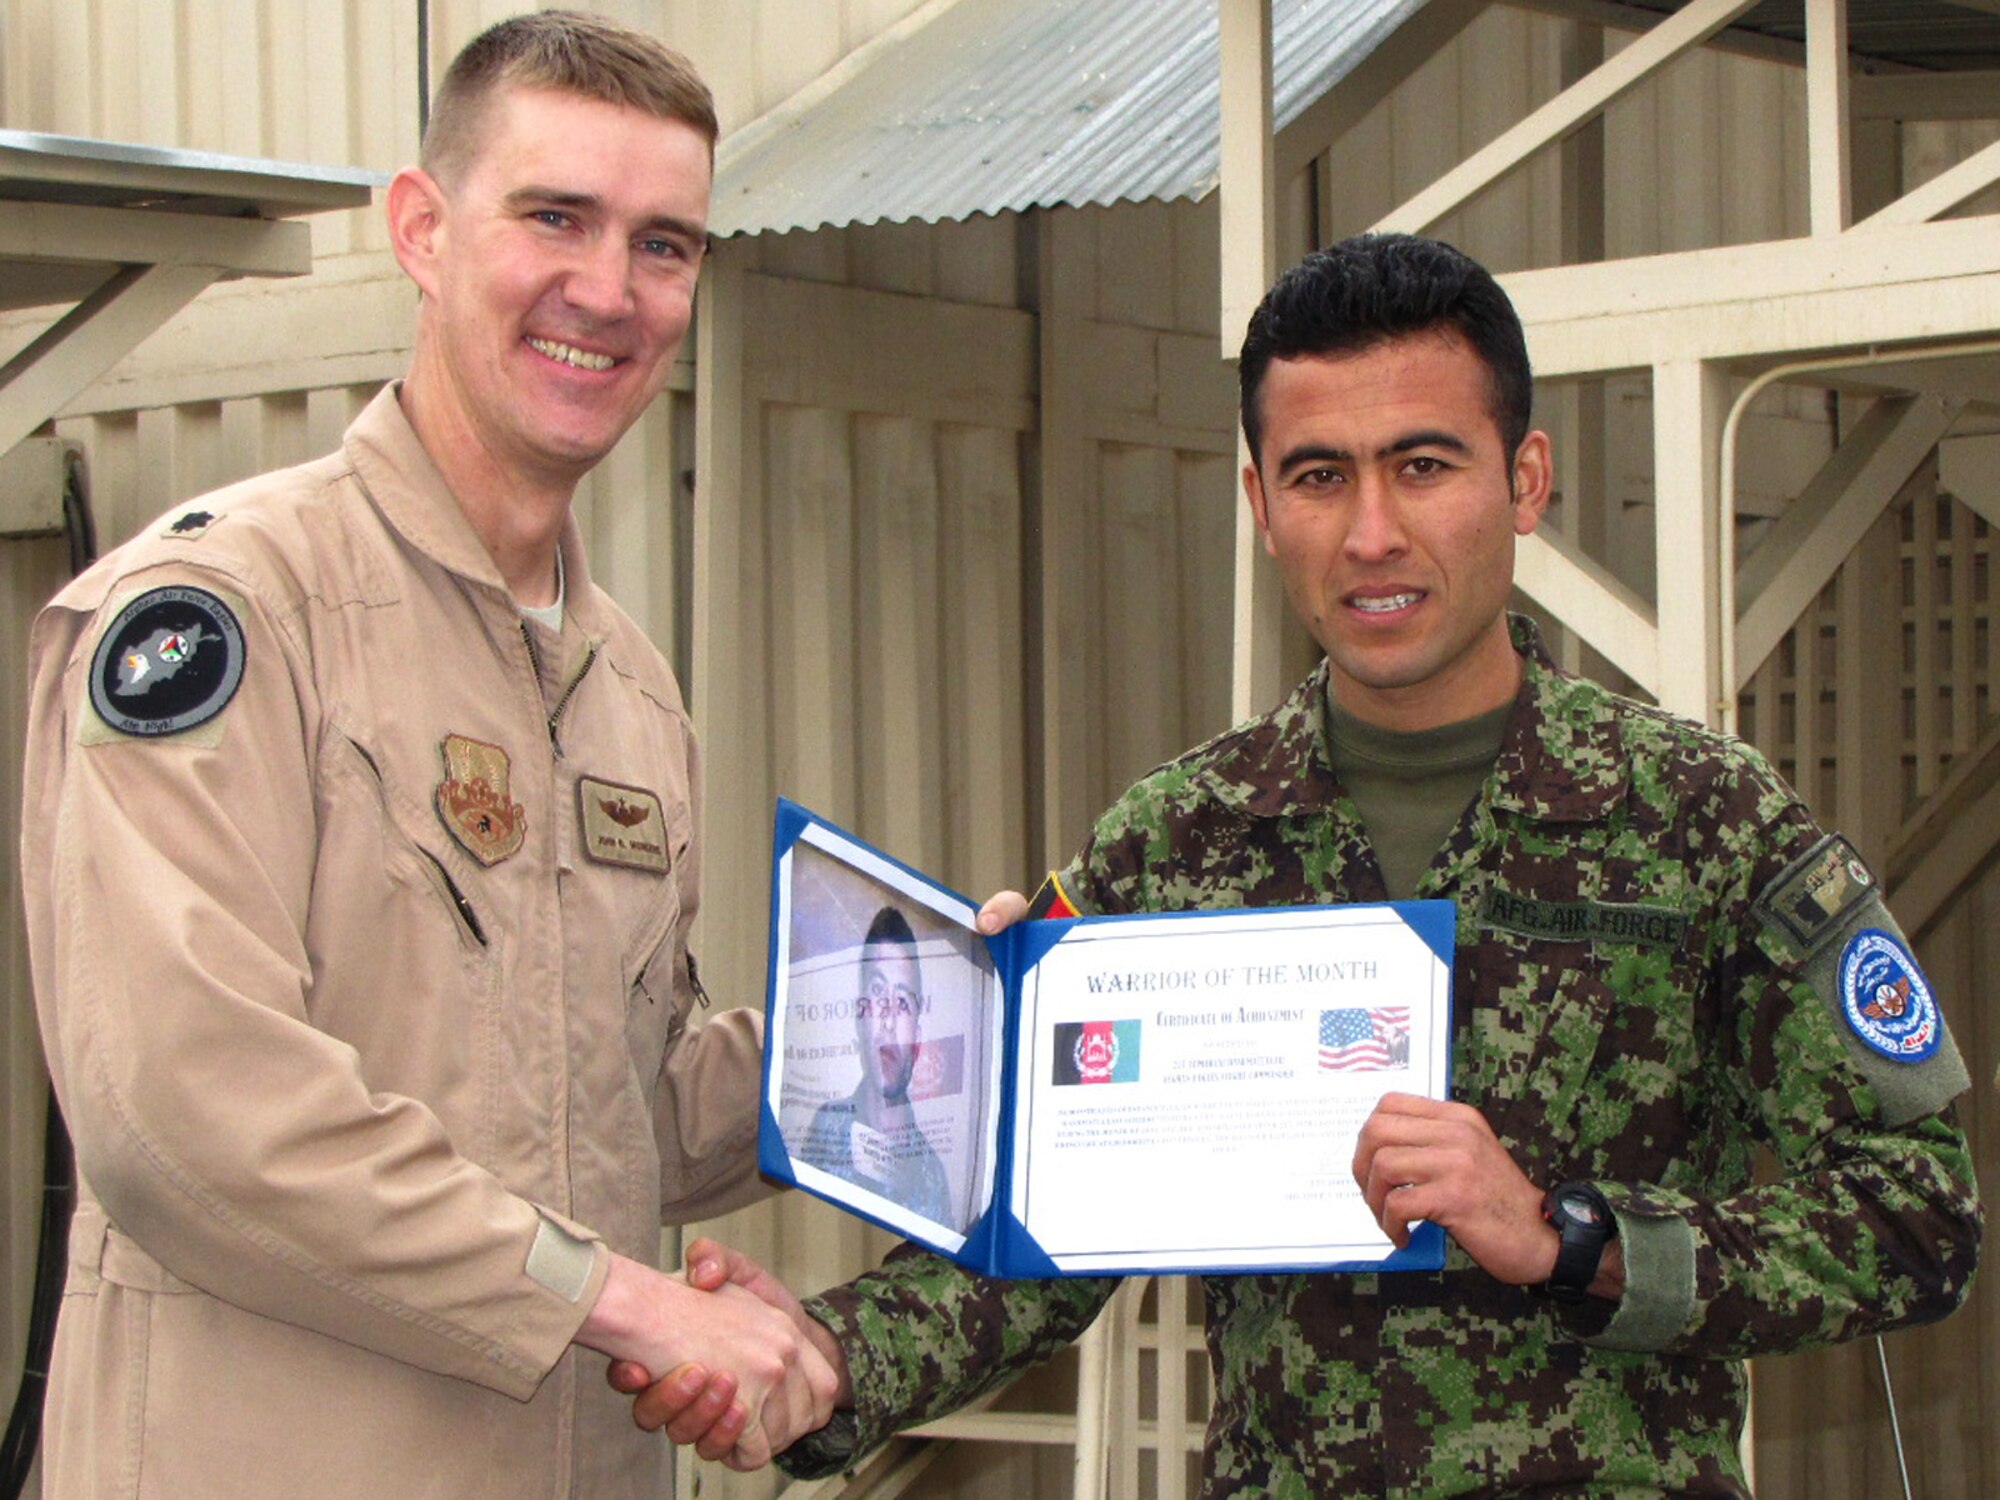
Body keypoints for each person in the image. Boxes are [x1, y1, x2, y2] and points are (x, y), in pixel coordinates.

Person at [623, 233, 1982, 1495]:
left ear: (1526, 480)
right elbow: (1038, 1238)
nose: (1374, 533)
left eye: (1427, 465)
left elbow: (1920, 1216)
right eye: (1323, 476)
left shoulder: (1701, 821)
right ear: (1263, 504)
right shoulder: (1180, 840)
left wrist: (1571, 1235)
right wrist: (820, 1363)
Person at [18, 12, 834, 1498]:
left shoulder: (629, 688)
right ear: (422, 227)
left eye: (665, 244)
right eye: (555, 218)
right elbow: (187, 1109)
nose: (610, 290)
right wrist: (628, 1301)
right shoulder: (231, 616)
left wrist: (942, 1032)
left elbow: (609, 1114)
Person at [796, 906, 954, 1226]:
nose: (888, 1021)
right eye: (878, 993)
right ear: (859, 1017)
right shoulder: (825, 1131)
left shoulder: (932, 1175)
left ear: (918, 1037)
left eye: (903, 1002)